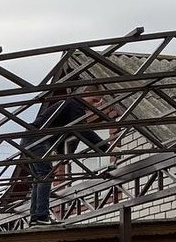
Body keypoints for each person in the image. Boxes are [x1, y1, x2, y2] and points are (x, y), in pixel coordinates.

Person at [23, 86, 111, 224]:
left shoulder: (69, 106)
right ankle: (41, 216)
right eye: (94, 100)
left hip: (29, 139)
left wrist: (64, 154)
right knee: (45, 175)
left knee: (39, 178)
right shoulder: (75, 104)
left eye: (98, 102)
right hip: (37, 139)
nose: (94, 106)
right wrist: (107, 148)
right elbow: (82, 130)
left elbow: (70, 135)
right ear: (86, 93)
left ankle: (36, 217)